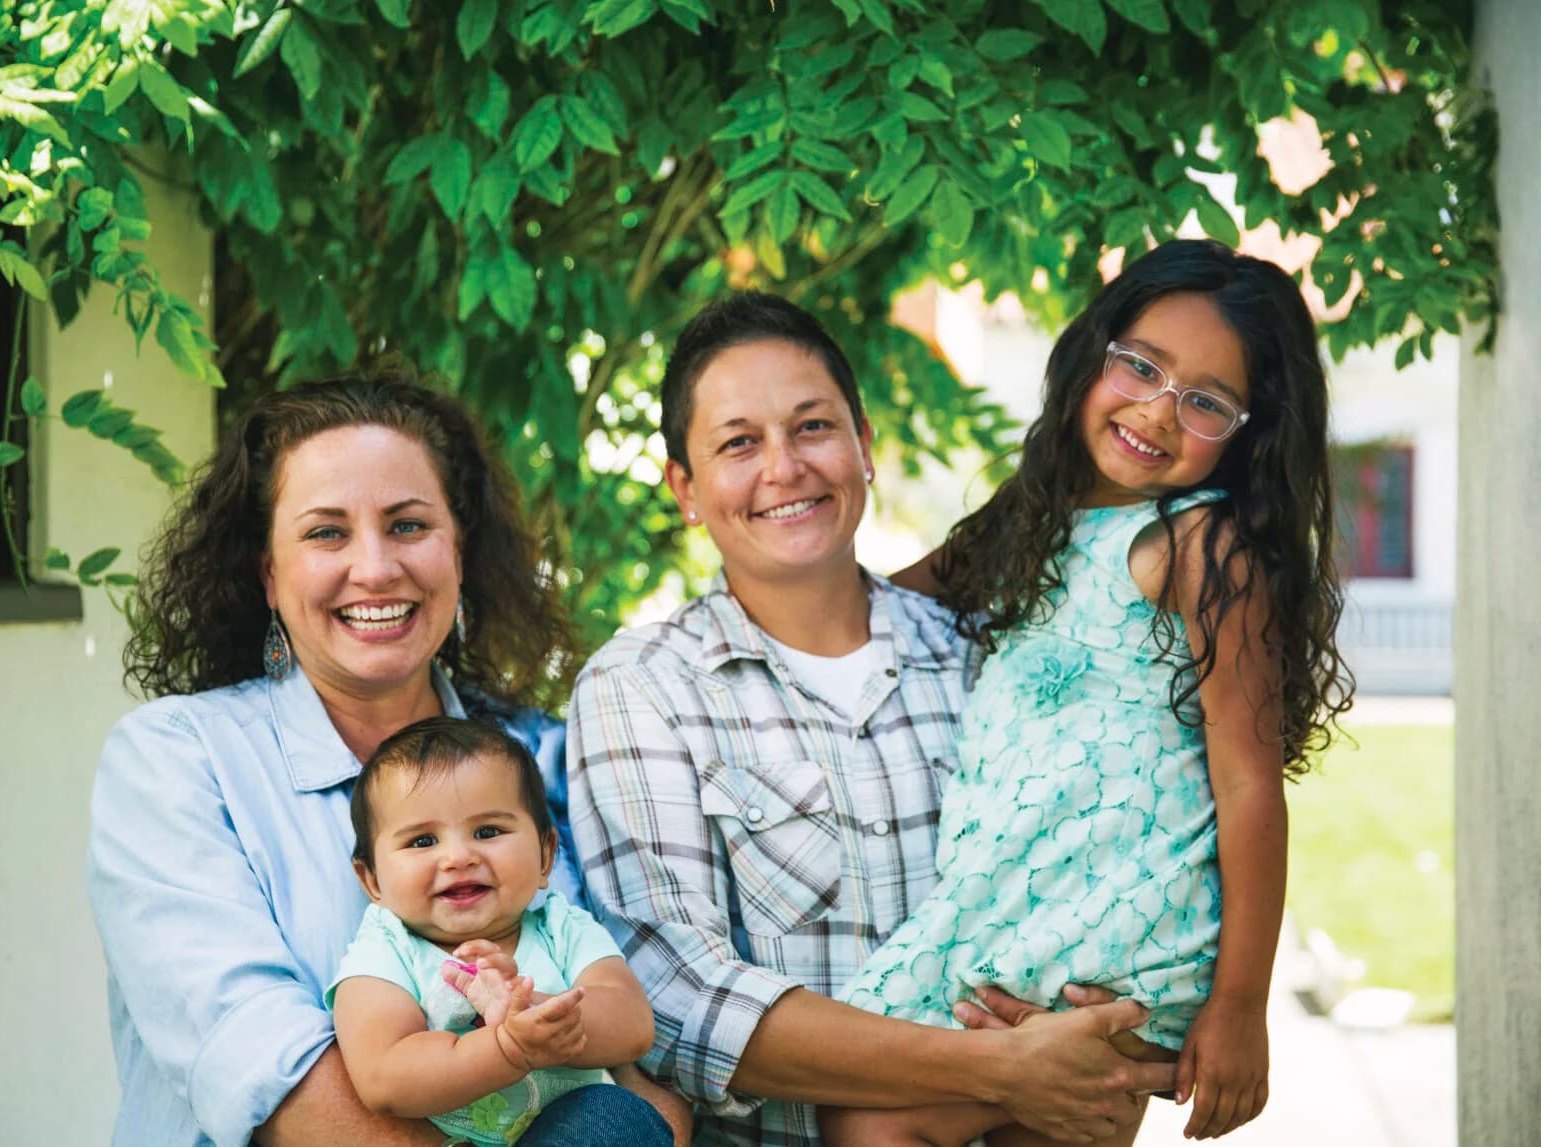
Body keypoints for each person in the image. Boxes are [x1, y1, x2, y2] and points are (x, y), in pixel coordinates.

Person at [567, 292, 1178, 1147]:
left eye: (812, 427)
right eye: (739, 442)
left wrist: (1083, 1056)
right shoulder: (641, 689)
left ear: (865, 447)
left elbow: (1105, 861)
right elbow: (679, 1002)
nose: (784, 467)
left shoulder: (987, 656)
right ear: (686, 490)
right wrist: (1001, 1070)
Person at [824, 240, 1355, 1146]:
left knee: (868, 1117)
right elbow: (884, 599)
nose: (1156, 410)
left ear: (1250, 432)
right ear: (1092, 352)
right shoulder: (1032, 517)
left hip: (1113, 935)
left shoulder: (1202, 548)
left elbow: (1249, 786)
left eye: (1206, 401)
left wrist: (1241, 1004)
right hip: (1021, 914)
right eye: (1141, 365)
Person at [86, 371, 675, 1147]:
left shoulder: (550, 757)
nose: (374, 568)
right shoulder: (175, 762)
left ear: (458, 552)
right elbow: (275, 1077)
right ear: (269, 573)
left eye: (407, 525)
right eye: (326, 532)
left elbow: (650, 1061)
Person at [326, 716, 673, 1146]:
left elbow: (633, 1025)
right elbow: (384, 1077)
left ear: (545, 856)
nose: (458, 856)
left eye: (488, 831)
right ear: (373, 880)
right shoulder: (384, 950)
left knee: (618, 1113)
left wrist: (531, 1010)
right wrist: (507, 1048)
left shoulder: (561, 927)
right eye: (421, 841)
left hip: (574, 1132)